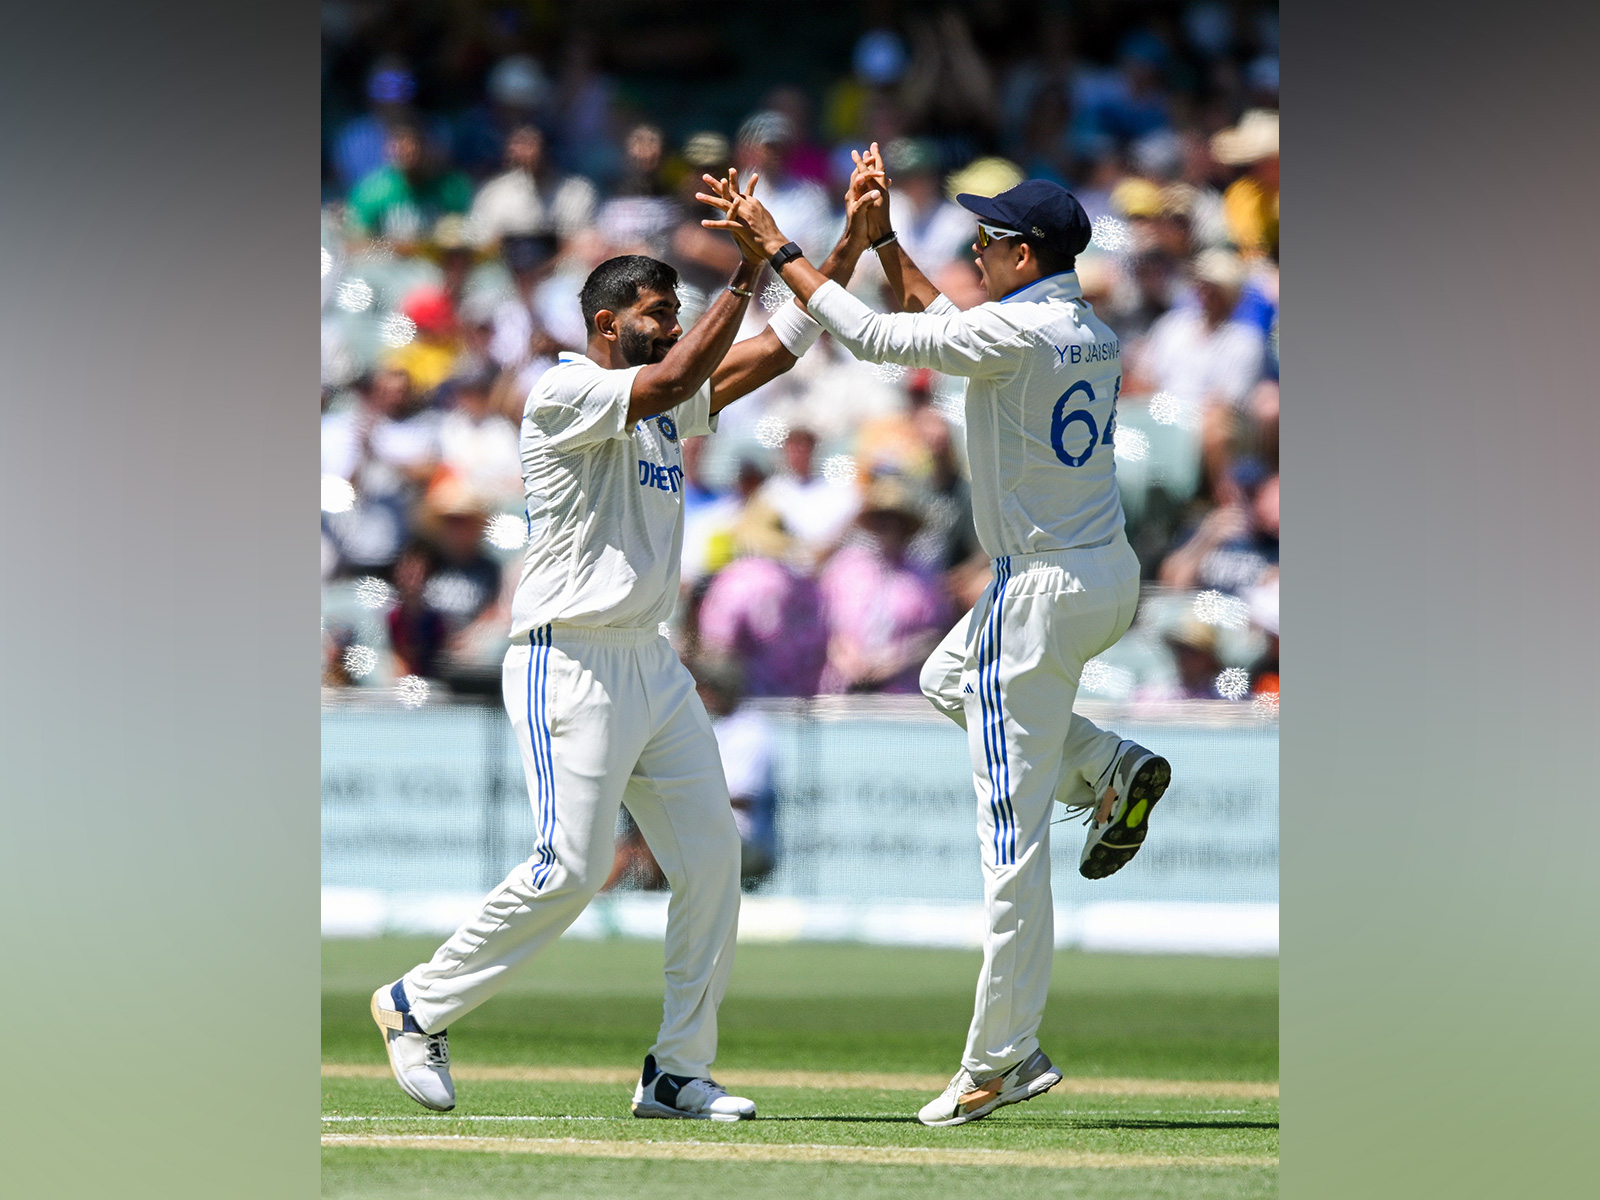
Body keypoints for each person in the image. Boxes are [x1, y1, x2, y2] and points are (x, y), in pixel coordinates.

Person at [370, 167, 880, 1122]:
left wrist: (839, 249)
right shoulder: (564, 390)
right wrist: (748, 267)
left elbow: (772, 352)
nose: (671, 324)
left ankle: (678, 1070)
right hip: (568, 659)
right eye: (658, 312)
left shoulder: (656, 406)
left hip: (650, 660)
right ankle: (416, 1003)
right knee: (569, 869)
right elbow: (680, 376)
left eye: (676, 310)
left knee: (713, 862)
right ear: (607, 323)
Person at [702, 146, 1174, 1127]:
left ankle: (1002, 1057)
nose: (974, 252)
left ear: (1022, 254)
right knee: (945, 674)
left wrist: (776, 245)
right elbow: (936, 316)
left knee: (1010, 844)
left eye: (986, 240)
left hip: (1036, 590)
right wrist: (879, 243)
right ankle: (1110, 766)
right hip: (1102, 575)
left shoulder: (1018, 332)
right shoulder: (1082, 328)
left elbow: (879, 336)